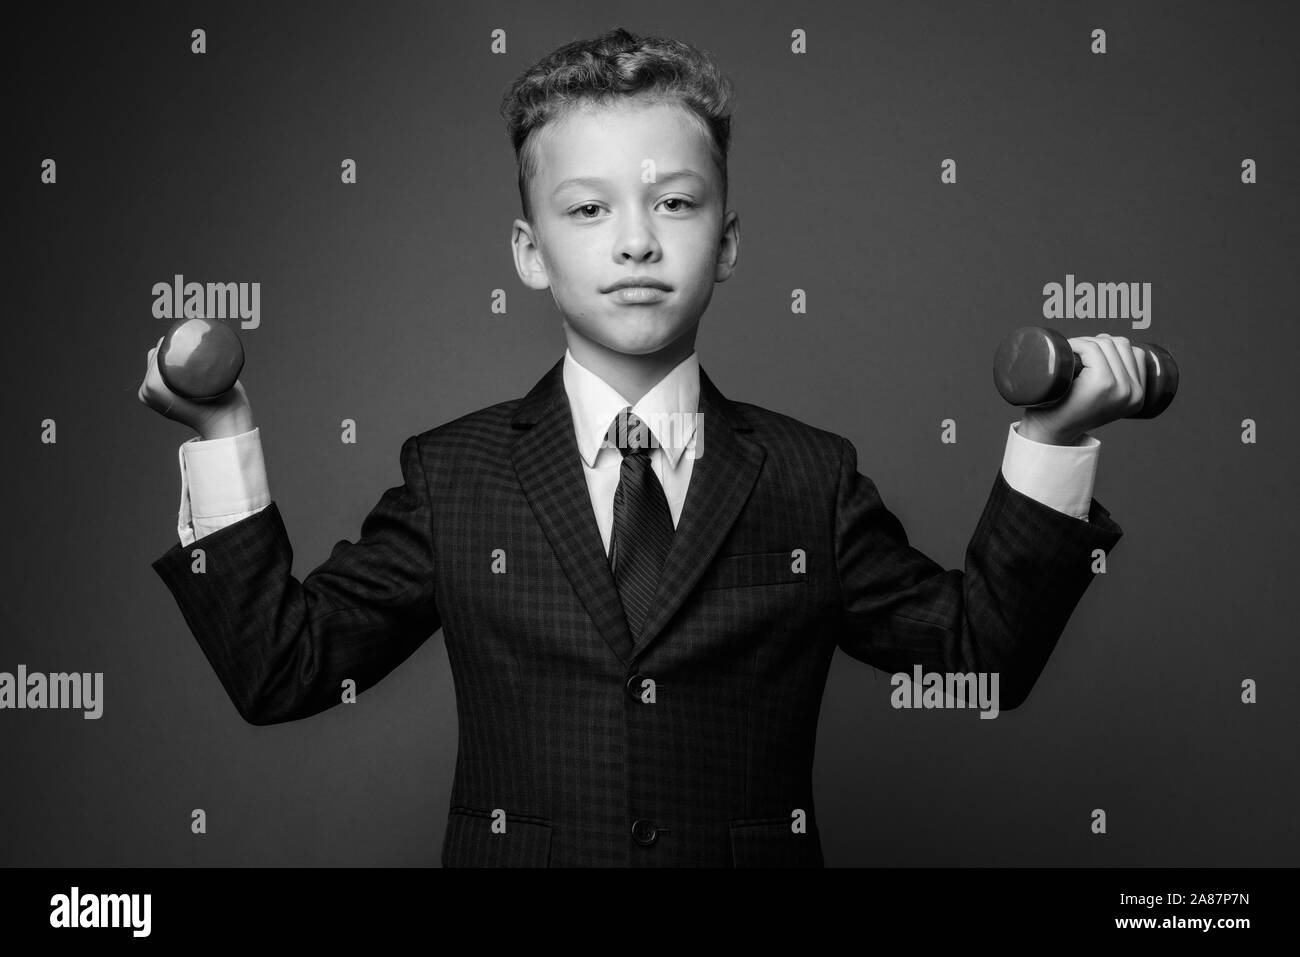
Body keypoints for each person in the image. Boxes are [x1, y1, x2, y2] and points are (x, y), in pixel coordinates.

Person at [139, 27, 1144, 867]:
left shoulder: (808, 476)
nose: (635, 243)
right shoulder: (455, 476)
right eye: (586, 209)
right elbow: (283, 670)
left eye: (674, 202)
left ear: (730, 241)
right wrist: (223, 434)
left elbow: (981, 661)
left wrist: (1048, 439)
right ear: (530, 252)